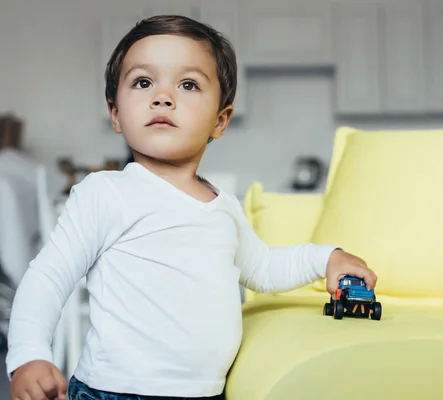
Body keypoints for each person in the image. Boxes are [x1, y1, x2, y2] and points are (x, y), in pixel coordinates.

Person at [6, 15, 377, 400]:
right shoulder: (105, 193)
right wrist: (28, 356)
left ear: (220, 121)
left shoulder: (225, 208)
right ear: (115, 113)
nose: (163, 96)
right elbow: (48, 278)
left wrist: (326, 258)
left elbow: (264, 268)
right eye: (143, 82)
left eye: (188, 84)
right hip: (114, 392)